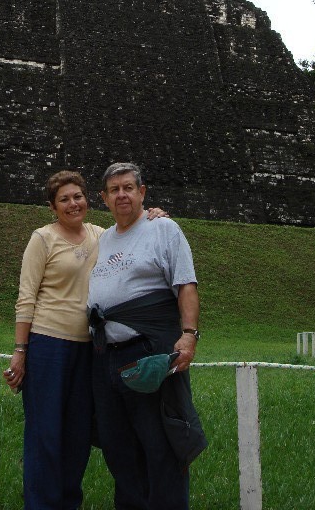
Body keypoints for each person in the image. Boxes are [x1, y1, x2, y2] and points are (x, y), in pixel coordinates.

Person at [3, 169, 167, 510]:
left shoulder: (100, 236)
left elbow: (131, 234)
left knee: (78, 433)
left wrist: (153, 217)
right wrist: (21, 350)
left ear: (88, 200)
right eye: (64, 199)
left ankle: (68, 503)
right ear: (53, 207)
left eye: (77, 196)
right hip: (48, 343)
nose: (73, 204)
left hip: (91, 347)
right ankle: (41, 504)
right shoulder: (43, 239)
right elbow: (26, 297)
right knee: (45, 431)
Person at [87, 162, 205, 510]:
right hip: (105, 357)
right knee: (118, 446)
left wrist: (189, 334)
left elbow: (185, 285)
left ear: (142, 192)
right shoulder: (102, 238)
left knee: (160, 444)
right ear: (104, 198)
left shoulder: (163, 229)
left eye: (128, 187)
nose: (121, 194)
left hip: (147, 352)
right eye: (114, 190)